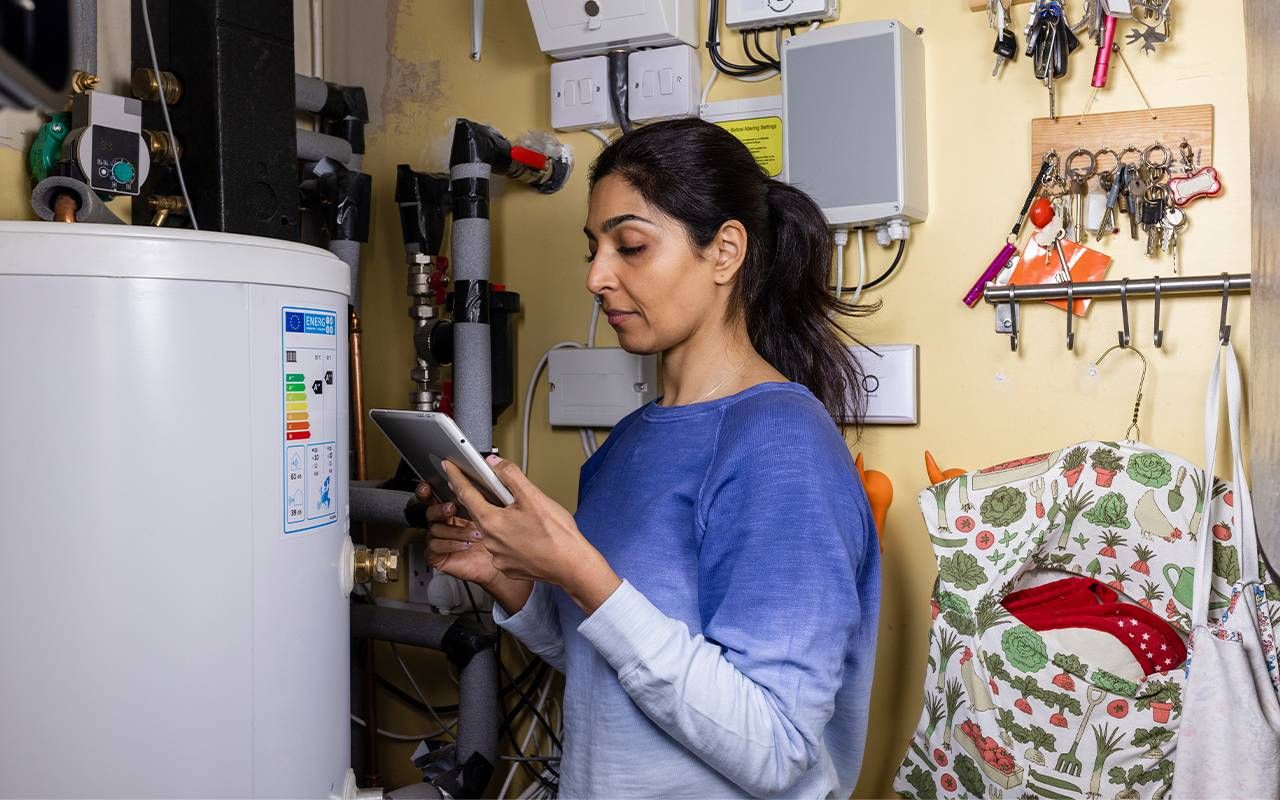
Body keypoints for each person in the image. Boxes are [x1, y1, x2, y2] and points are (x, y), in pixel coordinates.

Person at [418, 118, 881, 799]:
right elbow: (612, 664)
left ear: (725, 252)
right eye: (594, 249)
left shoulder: (784, 446)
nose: (597, 277)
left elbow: (779, 748)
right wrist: (513, 577)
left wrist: (579, 568)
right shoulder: (632, 442)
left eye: (630, 246)